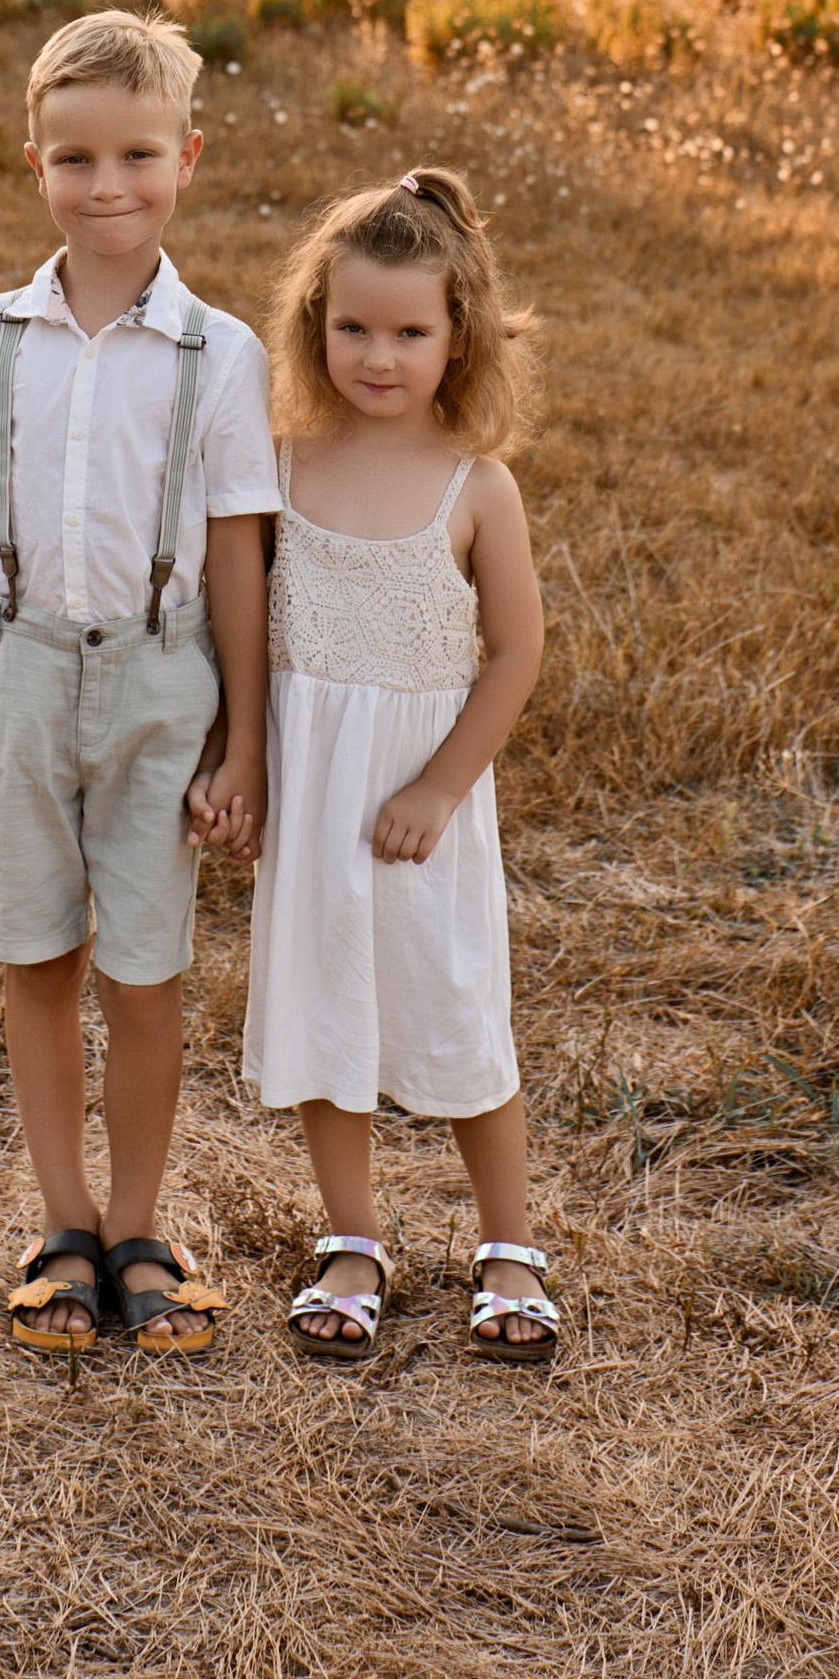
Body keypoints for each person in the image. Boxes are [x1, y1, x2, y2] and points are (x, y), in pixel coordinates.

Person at [0, 6, 277, 1356]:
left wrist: (243, 737)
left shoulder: (219, 354)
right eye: (76, 160)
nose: (107, 187)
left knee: (145, 972)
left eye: (137, 156)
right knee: (35, 959)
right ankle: (60, 1227)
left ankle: (139, 1229)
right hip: (12, 675)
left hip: (162, 684)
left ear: (187, 157)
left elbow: (240, 555)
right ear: (34, 165)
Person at [244, 164, 557, 1363]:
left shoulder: (477, 488)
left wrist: (439, 786)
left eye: (409, 332)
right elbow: (243, 632)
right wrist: (241, 764)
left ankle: (509, 1244)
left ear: (458, 336)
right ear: (315, 324)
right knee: (329, 1013)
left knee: (455, 1006)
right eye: (353, 328)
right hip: (313, 797)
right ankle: (353, 1237)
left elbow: (517, 651)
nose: (378, 356)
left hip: (423, 798)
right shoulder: (280, 467)